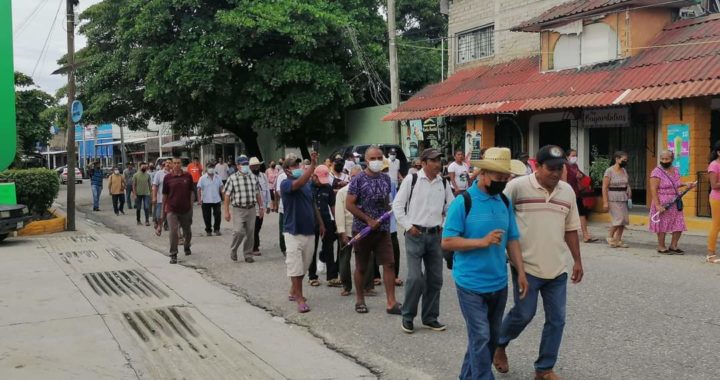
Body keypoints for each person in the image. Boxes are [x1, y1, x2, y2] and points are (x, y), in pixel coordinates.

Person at [494, 145, 584, 380]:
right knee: (524, 314)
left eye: (560, 168)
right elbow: (499, 216)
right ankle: (499, 344)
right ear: (537, 166)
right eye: (551, 168)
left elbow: (571, 228)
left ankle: (544, 368)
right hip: (526, 267)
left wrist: (577, 261)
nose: (556, 173)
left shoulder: (567, 192)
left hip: (556, 269)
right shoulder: (517, 187)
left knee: (557, 320)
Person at [441, 147, 529, 379]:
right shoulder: (464, 202)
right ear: (483, 173)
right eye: (498, 177)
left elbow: (512, 239)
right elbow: (447, 242)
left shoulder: (504, 201)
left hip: (498, 283)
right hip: (470, 284)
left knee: (488, 336)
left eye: (506, 177)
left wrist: (521, 271)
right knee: (480, 336)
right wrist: (481, 242)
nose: (503, 181)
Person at [393, 148, 455, 334]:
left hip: (435, 236)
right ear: (424, 162)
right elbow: (397, 205)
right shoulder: (411, 180)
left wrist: (444, 224)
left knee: (435, 279)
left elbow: (451, 206)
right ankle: (408, 316)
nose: (438, 164)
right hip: (415, 234)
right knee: (415, 278)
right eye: (434, 160)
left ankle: (429, 317)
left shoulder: (443, 183)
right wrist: (407, 225)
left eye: (439, 160)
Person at [346, 145, 401, 315]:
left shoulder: (386, 179)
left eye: (379, 158)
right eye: (372, 158)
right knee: (362, 266)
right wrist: (368, 220)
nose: (376, 161)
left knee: (389, 264)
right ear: (366, 160)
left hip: (382, 229)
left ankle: (391, 302)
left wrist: (387, 219)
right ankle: (360, 300)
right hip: (363, 230)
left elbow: (386, 201)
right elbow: (349, 204)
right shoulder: (358, 180)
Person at [281, 152, 321, 313]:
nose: (297, 168)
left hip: (309, 230)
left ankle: (293, 290)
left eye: (298, 165)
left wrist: (321, 223)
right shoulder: (285, 183)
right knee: (295, 266)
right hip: (292, 231)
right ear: (287, 170)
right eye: (293, 166)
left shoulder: (307, 185)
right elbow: (297, 184)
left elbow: (312, 204)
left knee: (304, 266)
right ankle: (299, 298)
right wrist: (312, 166)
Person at [649, 150, 695, 254]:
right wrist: (657, 205)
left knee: (679, 223)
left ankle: (673, 246)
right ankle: (661, 246)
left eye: (667, 159)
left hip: (675, 201)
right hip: (662, 202)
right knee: (662, 225)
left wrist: (685, 184)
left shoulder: (675, 170)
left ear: (672, 159)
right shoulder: (656, 172)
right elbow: (653, 189)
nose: (664, 161)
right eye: (662, 159)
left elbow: (676, 184)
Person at [224, 156, 264, 263]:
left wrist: (261, 207)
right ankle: (233, 249)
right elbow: (227, 196)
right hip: (238, 209)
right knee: (238, 232)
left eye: (246, 164)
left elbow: (257, 193)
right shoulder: (232, 178)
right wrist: (226, 211)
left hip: (251, 208)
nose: (245, 166)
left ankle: (248, 254)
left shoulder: (253, 177)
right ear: (237, 166)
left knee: (250, 233)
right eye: (243, 164)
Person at [335, 165, 366, 296]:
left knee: (365, 257)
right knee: (344, 258)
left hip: (362, 229)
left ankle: (367, 286)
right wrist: (342, 232)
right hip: (347, 230)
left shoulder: (365, 190)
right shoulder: (343, 192)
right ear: (349, 176)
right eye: (353, 176)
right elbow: (339, 214)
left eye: (357, 176)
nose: (355, 179)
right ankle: (346, 286)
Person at [309, 165, 340, 287]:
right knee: (312, 249)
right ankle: (312, 277)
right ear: (314, 176)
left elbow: (332, 206)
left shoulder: (327, 188)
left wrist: (337, 223)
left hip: (327, 221)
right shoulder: (307, 187)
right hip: (311, 222)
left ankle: (332, 277)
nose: (322, 183)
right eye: (320, 179)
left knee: (329, 248)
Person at [163, 157, 195, 264]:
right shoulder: (167, 178)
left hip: (186, 209)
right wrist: (164, 208)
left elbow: (191, 192)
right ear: (171, 164)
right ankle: (173, 254)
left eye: (178, 163)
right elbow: (165, 195)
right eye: (174, 163)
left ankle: (187, 246)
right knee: (173, 232)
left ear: (181, 164)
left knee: (188, 232)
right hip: (172, 209)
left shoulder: (188, 176)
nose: (176, 165)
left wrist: (191, 207)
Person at [562, 149, 597, 243]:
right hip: (568, 194)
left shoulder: (575, 166)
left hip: (577, 193)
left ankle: (586, 235)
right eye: (573, 155)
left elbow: (581, 177)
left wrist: (581, 178)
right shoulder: (564, 166)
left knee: (582, 214)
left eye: (576, 155)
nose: (575, 157)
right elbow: (564, 181)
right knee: (565, 215)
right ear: (567, 156)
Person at [602, 151, 632, 248]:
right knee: (619, 219)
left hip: (623, 197)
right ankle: (610, 236)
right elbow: (604, 187)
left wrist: (629, 190)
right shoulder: (609, 171)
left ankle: (618, 240)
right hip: (613, 197)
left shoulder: (624, 170)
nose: (625, 161)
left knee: (624, 220)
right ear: (617, 159)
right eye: (624, 160)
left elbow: (627, 183)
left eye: (626, 160)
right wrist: (605, 202)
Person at [198, 163, 224, 236]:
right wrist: (199, 199)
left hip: (216, 200)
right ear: (206, 168)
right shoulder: (202, 178)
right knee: (207, 216)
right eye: (209, 167)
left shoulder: (218, 177)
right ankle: (208, 230)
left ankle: (217, 229)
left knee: (218, 215)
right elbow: (199, 189)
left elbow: (221, 187)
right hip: (206, 200)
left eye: (212, 167)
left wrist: (224, 198)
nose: (211, 169)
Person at [250, 157, 270, 255]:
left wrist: (268, 204)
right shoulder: (248, 177)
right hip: (251, 206)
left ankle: (252, 245)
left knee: (257, 227)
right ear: (250, 167)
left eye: (257, 166)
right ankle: (254, 247)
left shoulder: (263, 176)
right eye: (254, 166)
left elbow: (267, 190)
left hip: (262, 206)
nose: (256, 168)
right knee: (253, 227)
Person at [707, 140, 720, 264]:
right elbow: (714, 185)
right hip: (717, 199)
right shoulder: (714, 165)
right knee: (716, 225)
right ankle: (710, 254)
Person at [152, 160, 172, 232]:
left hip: (170, 199)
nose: (168, 164)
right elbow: (155, 185)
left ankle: (166, 225)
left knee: (169, 214)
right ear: (164, 164)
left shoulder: (173, 174)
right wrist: (154, 197)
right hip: (160, 198)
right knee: (159, 215)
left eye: (170, 163)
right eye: (167, 163)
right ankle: (157, 222)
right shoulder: (159, 173)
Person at [275, 165, 288, 256]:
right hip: (284, 208)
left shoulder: (299, 176)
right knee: (283, 229)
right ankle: (283, 248)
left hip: (294, 208)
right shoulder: (282, 176)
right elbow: (278, 191)